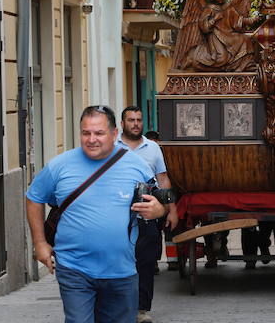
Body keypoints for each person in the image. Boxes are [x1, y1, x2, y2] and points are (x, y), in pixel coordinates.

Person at [26, 105, 169, 323]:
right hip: (74, 269)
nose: (92, 139)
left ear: (114, 134)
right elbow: (34, 197)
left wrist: (159, 210)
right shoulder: (59, 166)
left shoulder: (136, 165)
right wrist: (40, 243)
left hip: (121, 270)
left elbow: (158, 201)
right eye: (86, 133)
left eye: (99, 133)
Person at [117, 106, 179, 323]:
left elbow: (163, 180)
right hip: (117, 214)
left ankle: (141, 309)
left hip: (147, 211)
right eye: (131, 120)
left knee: (145, 261)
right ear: (122, 123)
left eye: (139, 120)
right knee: (119, 259)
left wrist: (172, 210)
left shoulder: (152, 147)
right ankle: (119, 305)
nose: (135, 123)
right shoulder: (111, 146)